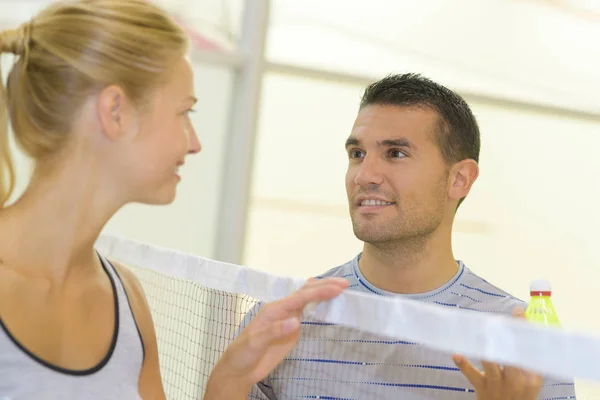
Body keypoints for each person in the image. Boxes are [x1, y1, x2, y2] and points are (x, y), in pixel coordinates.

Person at [0, 1, 348, 399]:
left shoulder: (127, 299)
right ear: (115, 111)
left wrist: (231, 378)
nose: (195, 143)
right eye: (185, 112)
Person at [247, 74, 577, 399]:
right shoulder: (282, 321)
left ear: (459, 179)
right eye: (357, 154)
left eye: (395, 154)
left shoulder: (524, 344)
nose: (364, 176)